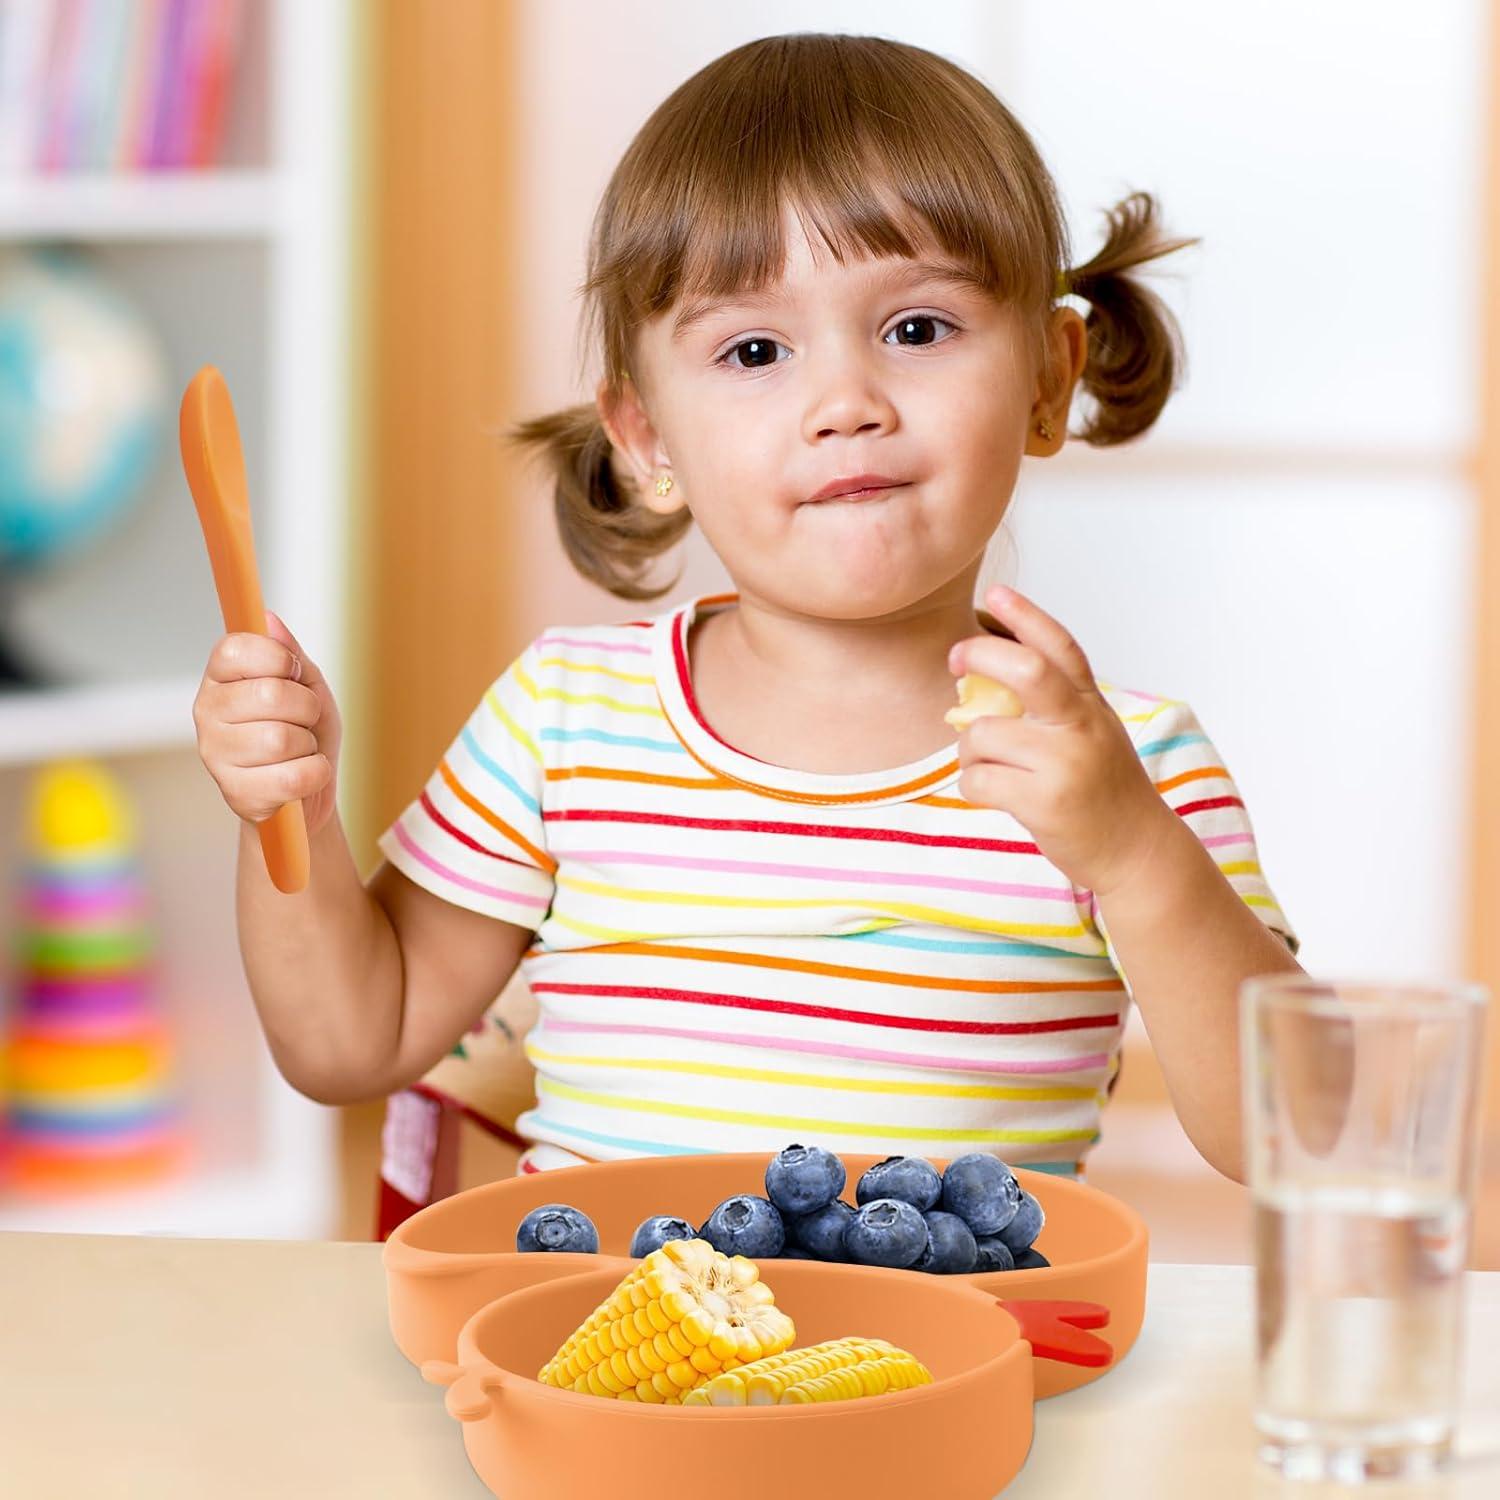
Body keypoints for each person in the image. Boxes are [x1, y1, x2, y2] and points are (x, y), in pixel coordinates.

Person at [192, 33, 1301, 1200]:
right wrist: (293, 815)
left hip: (951, 1371)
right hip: (605, 1362)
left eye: (917, 329)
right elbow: (349, 1043)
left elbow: (1292, 1144)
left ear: (1045, 377)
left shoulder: (1127, 766)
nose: (845, 404)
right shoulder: (565, 717)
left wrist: (1132, 854)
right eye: (755, 349)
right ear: (648, 438)